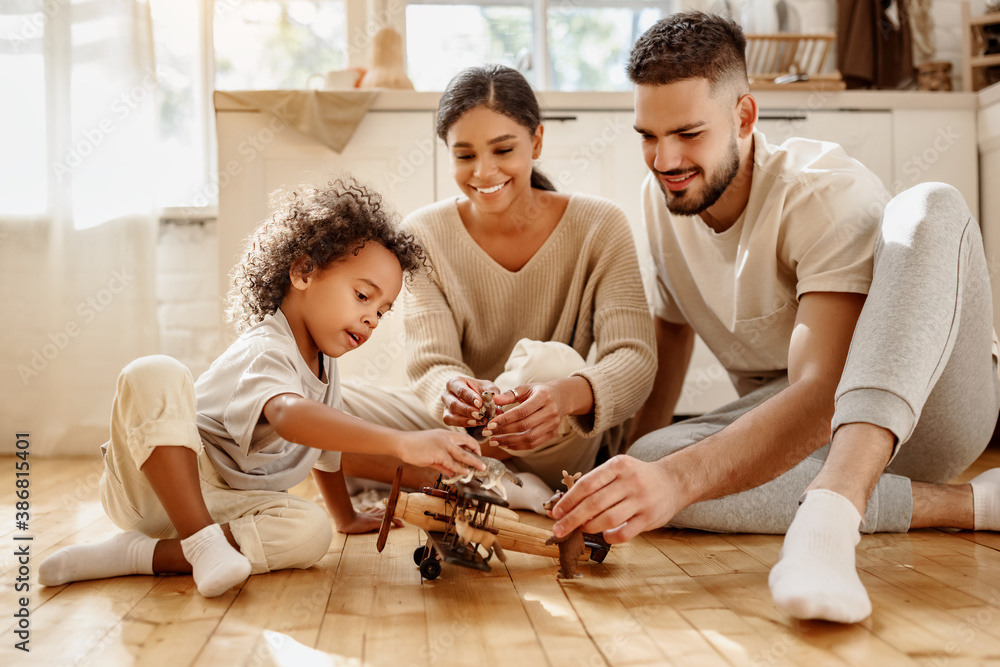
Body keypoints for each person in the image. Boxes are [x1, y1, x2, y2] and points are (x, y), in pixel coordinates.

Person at [548, 11, 1000, 624]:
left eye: (687, 133)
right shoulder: (663, 201)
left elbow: (820, 397)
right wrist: (630, 468)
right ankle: (969, 504)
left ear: (744, 117)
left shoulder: (818, 192)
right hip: (798, 416)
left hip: (932, 408)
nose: (664, 158)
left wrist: (681, 483)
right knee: (657, 462)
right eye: (648, 137)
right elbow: (672, 333)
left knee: (930, 205)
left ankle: (832, 517)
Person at [38, 178, 484, 598]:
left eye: (383, 311)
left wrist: (343, 516)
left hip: (225, 506)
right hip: (154, 487)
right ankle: (199, 542)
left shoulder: (326, 366)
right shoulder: (267, 347)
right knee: (155, 370)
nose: (372, 318)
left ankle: (138, 555)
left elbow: (323, 454)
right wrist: (403, 443)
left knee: (311, 532)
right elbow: (290, 416)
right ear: (303, 272)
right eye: (363, 296)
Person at [339, 65, 657, 509]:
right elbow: (431, 364)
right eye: (465, 155)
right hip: (460, 435)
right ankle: (503, 486)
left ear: (537, 142)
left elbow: (635, 357)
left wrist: (562, 397)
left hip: (555, 438)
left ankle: (449, 477)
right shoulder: (424, 233)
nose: (484, 172)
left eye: (503, 149)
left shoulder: (600, 225)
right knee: (312, 400)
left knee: (547, 367)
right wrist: (454, 392)